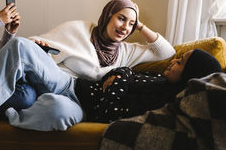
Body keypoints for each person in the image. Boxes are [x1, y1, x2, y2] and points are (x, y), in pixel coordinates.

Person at [0, 0, 177, 131]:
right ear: (108, 15)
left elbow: (166, 51)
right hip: (61, 80)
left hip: (81, 103)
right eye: (121, 18)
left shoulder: (128, 52)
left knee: (56, 111)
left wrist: (139, 24)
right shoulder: (80, 29)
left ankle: (9, 114)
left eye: (130, 24)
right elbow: (37, 45)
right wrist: (39, 47)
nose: (124, 27)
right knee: (20, 46)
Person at [75, 49, 222, 123]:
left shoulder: (161, 102)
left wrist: (119, 77)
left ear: (190, 74)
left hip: (81, 101)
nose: (173, 61)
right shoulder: (161, 78)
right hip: (77, 85)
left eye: (180, 62)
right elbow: (128, 70)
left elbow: (109, 110)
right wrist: (123, 75)